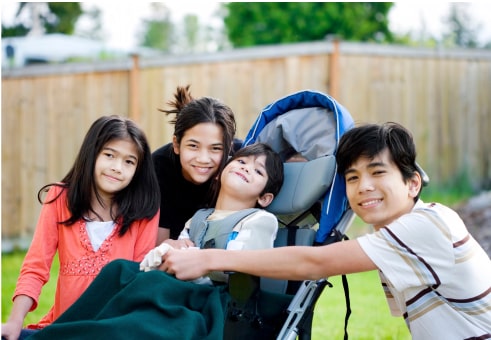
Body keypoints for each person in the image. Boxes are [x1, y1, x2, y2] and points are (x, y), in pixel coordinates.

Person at [162, 122, 491, 339]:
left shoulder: (426, 226)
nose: (364, 187)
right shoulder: (405, 232)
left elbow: (315, 263)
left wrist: (208, 258)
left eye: (377, 173)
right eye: (352, 178)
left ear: (412, 183)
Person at [27, 143, 284, 339]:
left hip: (210, 299)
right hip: (176, 285)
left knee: (140, 321)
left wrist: (191, 259)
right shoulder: (199, 217)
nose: (245, 168)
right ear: (220, 173)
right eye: (241, 161)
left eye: (257, 170)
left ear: (265, 198)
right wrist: (166, 252)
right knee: (118, 269)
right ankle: (65, 330)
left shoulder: (258, 220)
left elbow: (242, 267)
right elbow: (171, 253)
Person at [2, 115, 160, 340]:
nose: (117, 168)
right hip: (64, 328)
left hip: (115, 330)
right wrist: (14, 323)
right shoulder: (59, 198)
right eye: (109, 155)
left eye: (129, 161)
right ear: (91, 153)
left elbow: (139, 282)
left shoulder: (144, 211)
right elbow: (36, 268)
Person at [152, 84, 238, 244]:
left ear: (229, 147)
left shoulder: (241, 163)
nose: (203, 158)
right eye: (193, 146)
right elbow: (158, 245)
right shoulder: (158, 169)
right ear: (176, 145)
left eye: (216, 148)